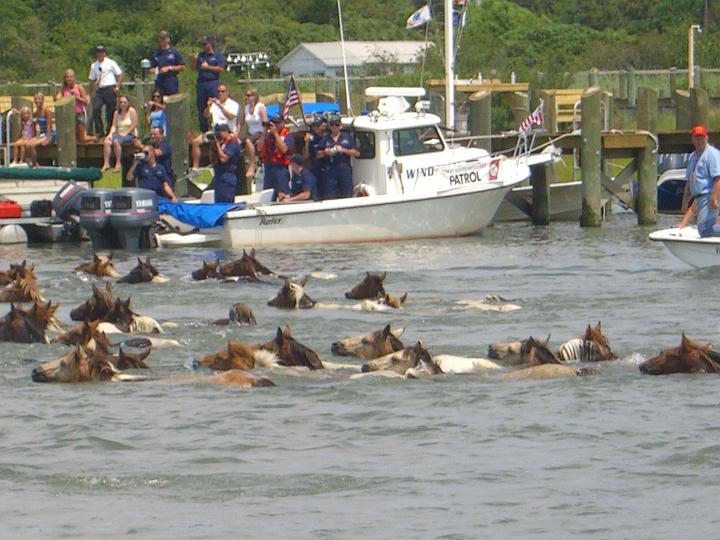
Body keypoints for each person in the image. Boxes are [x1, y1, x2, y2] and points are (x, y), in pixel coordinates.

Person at [679, 125, 720, 236]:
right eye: (696, 138)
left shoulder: (712, 154)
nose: (699, 141)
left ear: (706, 138)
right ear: (692, 139)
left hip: (709, 196)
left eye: (701, 137)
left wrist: (714, 197)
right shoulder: (693, 156)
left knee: (705, 230)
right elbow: (689, 181)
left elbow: (718, 178)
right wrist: (685, 201)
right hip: (699, 198)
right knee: (704, 228)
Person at [190, 84, 239, 169]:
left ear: (227, 92)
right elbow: (206, 115)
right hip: (215, 131)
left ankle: (214, 165)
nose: (220, 93)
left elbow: (231, 117)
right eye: (218, 91)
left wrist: (220, 106)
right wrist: (208, 106)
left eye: (223, 91)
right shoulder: (214, 104)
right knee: (195, 142)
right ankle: (195, 168)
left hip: (228, 131)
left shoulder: (233, 104)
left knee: (215, 144)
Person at [318, 114, 359, 199]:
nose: (334, 127)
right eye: (332, 124)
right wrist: (325, 152)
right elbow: (317, 154)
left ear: (340, 125)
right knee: (330, 194)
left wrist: (343, 150)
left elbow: (356, 153)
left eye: (336, 124)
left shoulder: (347, 137)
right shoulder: (325, 138)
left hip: (344, 167)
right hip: (330, 168)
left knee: (347, 193)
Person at [52, 68, 96, 144]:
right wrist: (53, 89)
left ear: (74, 77)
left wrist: (76, 97)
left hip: (79, 115)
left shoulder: (79, 87)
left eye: (71, 77)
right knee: (71, 138)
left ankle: (95, 138)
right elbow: (56, 100)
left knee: (81, 139)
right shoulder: (64, 89)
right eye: (67, 77)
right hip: (68, 115)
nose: (69, 79)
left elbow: (86, 101)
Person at [191, 36, 225, 132]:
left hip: (213, 83)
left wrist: (208, 67)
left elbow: (221, 68)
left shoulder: (217, 55)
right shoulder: (201, 56)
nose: (203, 46)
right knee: (202, 108)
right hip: (202, 84)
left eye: (205, 44)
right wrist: (194, 60)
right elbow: (193, 68)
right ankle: (204, 130)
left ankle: (217, 128)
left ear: (210, 44)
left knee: (215, 106)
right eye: (202, 44)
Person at [88, 45, 123, 136]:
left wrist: (117, 86)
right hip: (100, 89)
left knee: (110, 110)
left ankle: (109, 130)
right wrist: (89, 92)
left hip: (110, 88)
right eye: (98, 52)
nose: (100, 54)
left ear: (104, 53)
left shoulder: (111, 63)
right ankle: (100, 131)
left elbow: (119, 74)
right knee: (95, 108)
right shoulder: (94, 65)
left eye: (102, 52)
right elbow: (91, 80)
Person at [258, 113, 293, 201]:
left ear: (283, 123)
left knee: (283, 195)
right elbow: (259, 148)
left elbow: (284, 149)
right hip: (269, 167)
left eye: (277, 123)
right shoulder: (268, 135)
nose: (275, 125)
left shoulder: (288, 135)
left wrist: (276, 134)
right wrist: (265, 132)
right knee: (268, 196)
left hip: (281, 168)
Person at [101, 96, 138, 172]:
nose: (122, 104)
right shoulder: (116, 113)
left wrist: (126, 133)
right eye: (121, 102)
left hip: (130, 134)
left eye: (124, 102)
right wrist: (110, 134)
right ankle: (106, 163)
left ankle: (118, 163)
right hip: (119, 134)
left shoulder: (131, 111)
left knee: (116, 141)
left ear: (128, 103)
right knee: (106, 141)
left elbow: (134, 124)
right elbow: (114, 126)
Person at [210, 124, 242, 203]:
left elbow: (224, 159)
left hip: (227, 175)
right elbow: (212, 161)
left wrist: (218, 146)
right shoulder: (222, 143)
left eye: (219, 133)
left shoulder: (232, 143)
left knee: (226, 200)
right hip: (219, 175)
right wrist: (213, 146)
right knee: (218, 201)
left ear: (225, 132)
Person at [240, 87, 267, 178]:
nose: (247, 98)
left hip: (260, 131)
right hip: (251, 132)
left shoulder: (260, 107)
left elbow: (265, 124)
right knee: (237, 141)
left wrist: (263, 138)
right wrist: (235, 135)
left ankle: (252, 164)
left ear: (254, 96)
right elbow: (240, 123)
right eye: (246, 95)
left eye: (248, 95)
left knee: (248, 141)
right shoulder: (246, 108)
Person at [150, 30, 185, 96]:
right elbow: (150, 69)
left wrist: (169, 68)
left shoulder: (174, 52)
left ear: (168, 39)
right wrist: (158, 70)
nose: (162, 40)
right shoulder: (156, 54)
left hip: (171, 81)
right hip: (159, 82)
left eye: (164, 38)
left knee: (172, 101)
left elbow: (182, 67)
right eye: (161, 38)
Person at [26, 93, 55, 167]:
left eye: (39, 99)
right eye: (35, 99)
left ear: (43, 100)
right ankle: (33, 162)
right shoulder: (36, 112)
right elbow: (28, 118)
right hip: (42, 134)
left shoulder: (46, 111)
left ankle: (35, 164)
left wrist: (47, 139)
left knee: (32, 145)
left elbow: (49, 126)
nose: (37, 101)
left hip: (49, 134)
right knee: (28, 143)